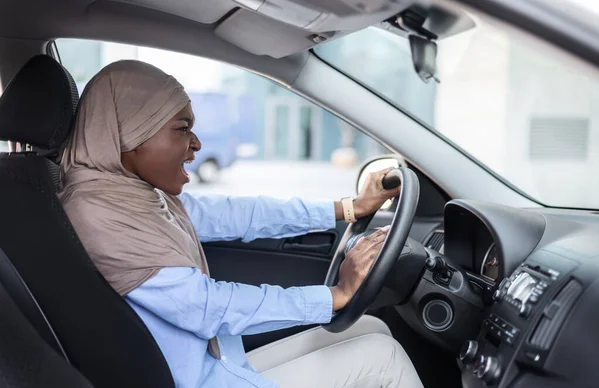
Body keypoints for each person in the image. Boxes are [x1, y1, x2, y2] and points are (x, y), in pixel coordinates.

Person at [57, 60, 423, 388]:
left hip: (212, 362)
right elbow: (206, 308)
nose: (197, 144)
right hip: (194, 379)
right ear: (130, 133)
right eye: (182, 128)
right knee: (382, 358)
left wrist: (348, 207)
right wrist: (335, 295)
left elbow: (235, 214)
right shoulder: (99, 212)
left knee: (370, 327)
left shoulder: (130, 194)